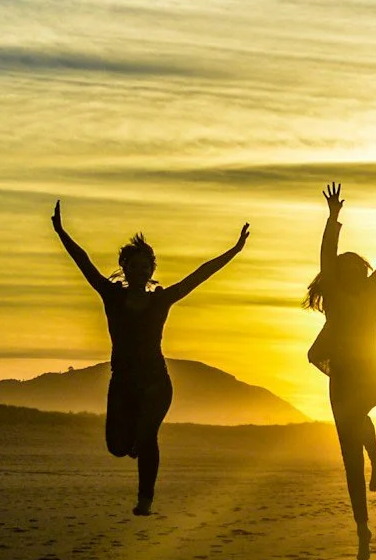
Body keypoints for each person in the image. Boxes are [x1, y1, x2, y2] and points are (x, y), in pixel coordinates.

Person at [52, 201, 249, 515]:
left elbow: (199, 275)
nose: (142, 271)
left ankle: (145, 499)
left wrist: (234, 250)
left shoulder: (162, 299)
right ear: (125, 266)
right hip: (122, 381)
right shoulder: (111, 294)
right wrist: (61, 232)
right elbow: (84, 261)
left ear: (152, 271)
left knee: (147, 437)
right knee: (117, 448)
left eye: (148, 267)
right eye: (136, 266)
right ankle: (133, 446)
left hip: (156, 381)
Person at [306, 182, 376, 560]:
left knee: (354, 417)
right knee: (350, 458)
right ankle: (362, 529)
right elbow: (325, 256)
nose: (352, 269)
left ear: (362, 271)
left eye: (357, 265)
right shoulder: (334, 294)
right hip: (343, 381)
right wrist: (333, 218)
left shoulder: (372, 290)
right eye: (344, 266)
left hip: (374, 374)